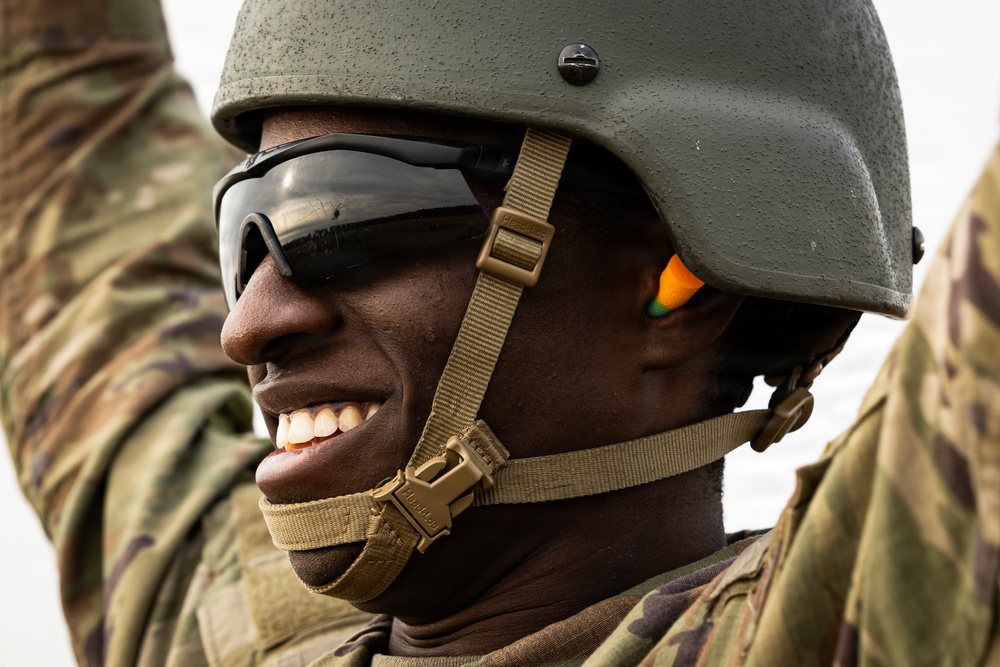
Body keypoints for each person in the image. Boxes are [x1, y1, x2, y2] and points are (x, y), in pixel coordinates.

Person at [2, 1, 996, 666]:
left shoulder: (841, 623)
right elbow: (73, 155)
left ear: (676, 289)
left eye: (341, 218)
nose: (251, 324)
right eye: (245, 236)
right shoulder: (227, 626)